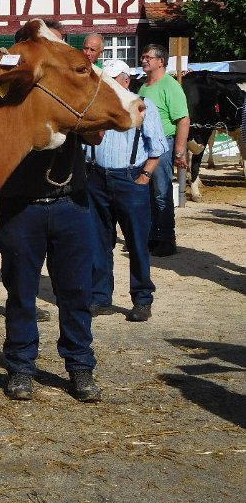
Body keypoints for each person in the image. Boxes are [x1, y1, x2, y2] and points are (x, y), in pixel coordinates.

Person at [0, 20, 102, 403]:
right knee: (21, 293)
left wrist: (77, 106)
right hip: (20, 203)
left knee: (75, 292)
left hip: (70, 201)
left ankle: (80, 368)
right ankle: (21, 368)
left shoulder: (71, 84)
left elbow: (97, 133)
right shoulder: (9, 81)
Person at [86, 59, 167, 323]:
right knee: (99, 242)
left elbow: (156, 146)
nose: (108, 83)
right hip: (97, 178)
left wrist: (145, 176)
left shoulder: (143, 104)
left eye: (114, 79)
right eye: (105, 79)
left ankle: (142, 299)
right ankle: (100, 298)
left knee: (136, 242)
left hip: (129, 178)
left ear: (126, 80)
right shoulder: (96, 103)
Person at [138, 44, 189, 257]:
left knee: (162, 193)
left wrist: (178, 151)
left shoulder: (171, 85)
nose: (144, 60)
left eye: (148, 57)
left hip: (163, 145)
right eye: (143, 57)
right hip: (144, 147)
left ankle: (167, 239)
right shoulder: (143, 87)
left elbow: (183, 119)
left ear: (161, 61)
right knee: (148, 194)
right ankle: (152, 236)